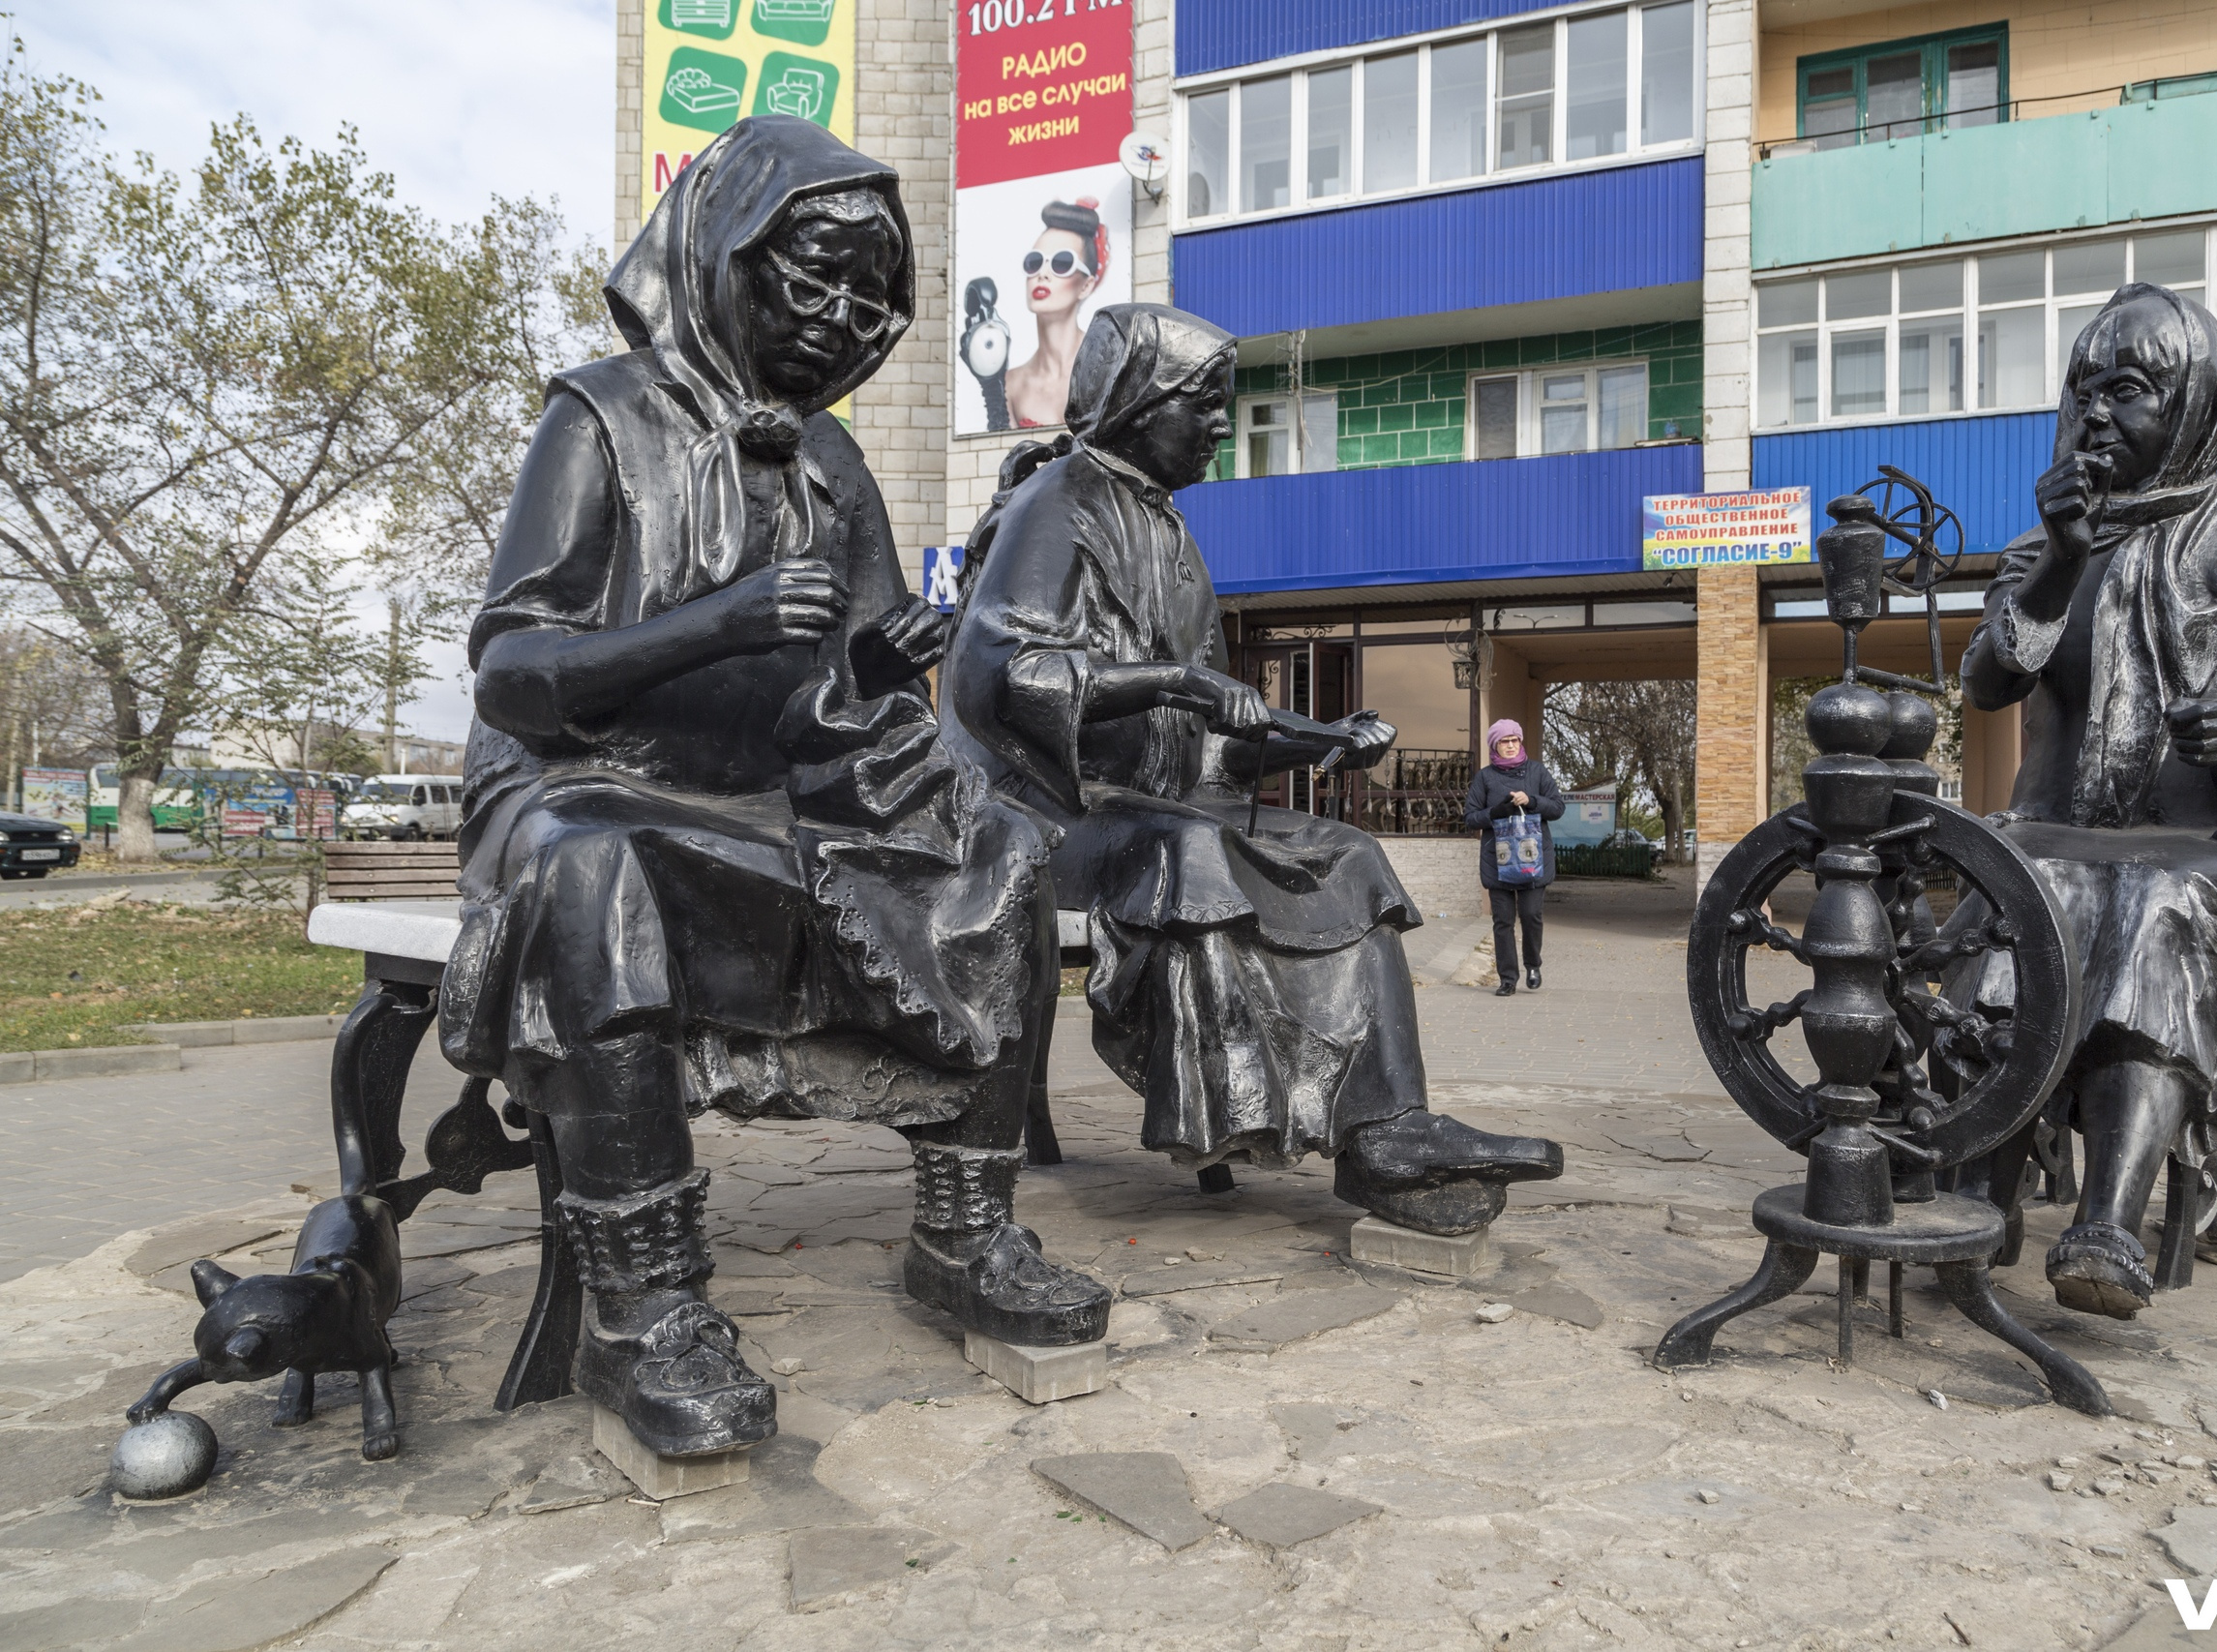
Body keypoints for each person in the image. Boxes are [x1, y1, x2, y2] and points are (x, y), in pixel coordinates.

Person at [439, 117, 1108, 1459]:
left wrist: (869, 655)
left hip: (770, 795)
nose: (838, 317)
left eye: (869, 297)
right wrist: (720, 621)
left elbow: (830, 715)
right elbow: (514, 673)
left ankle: (965, 1229)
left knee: (1006, 851)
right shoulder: (601, 416)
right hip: (586, 784)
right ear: (720, 250)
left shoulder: (833, 463)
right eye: (810, 277)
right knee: (586, 867)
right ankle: (642, 1308)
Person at [941, 302, 1564, 1236]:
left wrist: (1320, 737)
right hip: (1049, 807)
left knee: (1348, 852)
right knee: (1192, 851)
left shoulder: (1178, 540)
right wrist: (1169, 680)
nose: (1225, 425)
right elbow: (1001, 674)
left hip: (1164, 803)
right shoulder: (1057, 504)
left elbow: (1219, 733)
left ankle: (1388, 1127)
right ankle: (1241, 1106)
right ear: (1139, 405)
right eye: (1207, 403)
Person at [1952, 282, 2217, 1320]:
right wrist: (2059, 562)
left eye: (2127, 391)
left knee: (2147, 896)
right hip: (2057, 834)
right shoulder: (2042, 546)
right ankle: (1978, 1202)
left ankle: (2106, 1225)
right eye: (2083, 390)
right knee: (2016, 884)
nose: (2094, 414)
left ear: (2191, 402)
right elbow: (1988, 683)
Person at [1463, 720, 1565, 996]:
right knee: (1503, 921)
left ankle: (1533, 965)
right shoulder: (1485, 777)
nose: (1510, 745)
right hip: (1498, 861)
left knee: (1531, 915)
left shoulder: (1537, 772)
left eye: (1514, 740)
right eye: (1504, 741)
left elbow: (1557, 807)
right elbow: (1470, 817)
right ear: (1494, 745)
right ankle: (1508, 978)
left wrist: (1532, 800)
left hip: (1533, 859)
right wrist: (1495, 811)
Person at [1003, 198, 1105, 429]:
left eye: (1062, 263)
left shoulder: (1108, 370)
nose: (1043, 274)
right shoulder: (1012, 385)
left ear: (1086, 285)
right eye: (1035, 262)